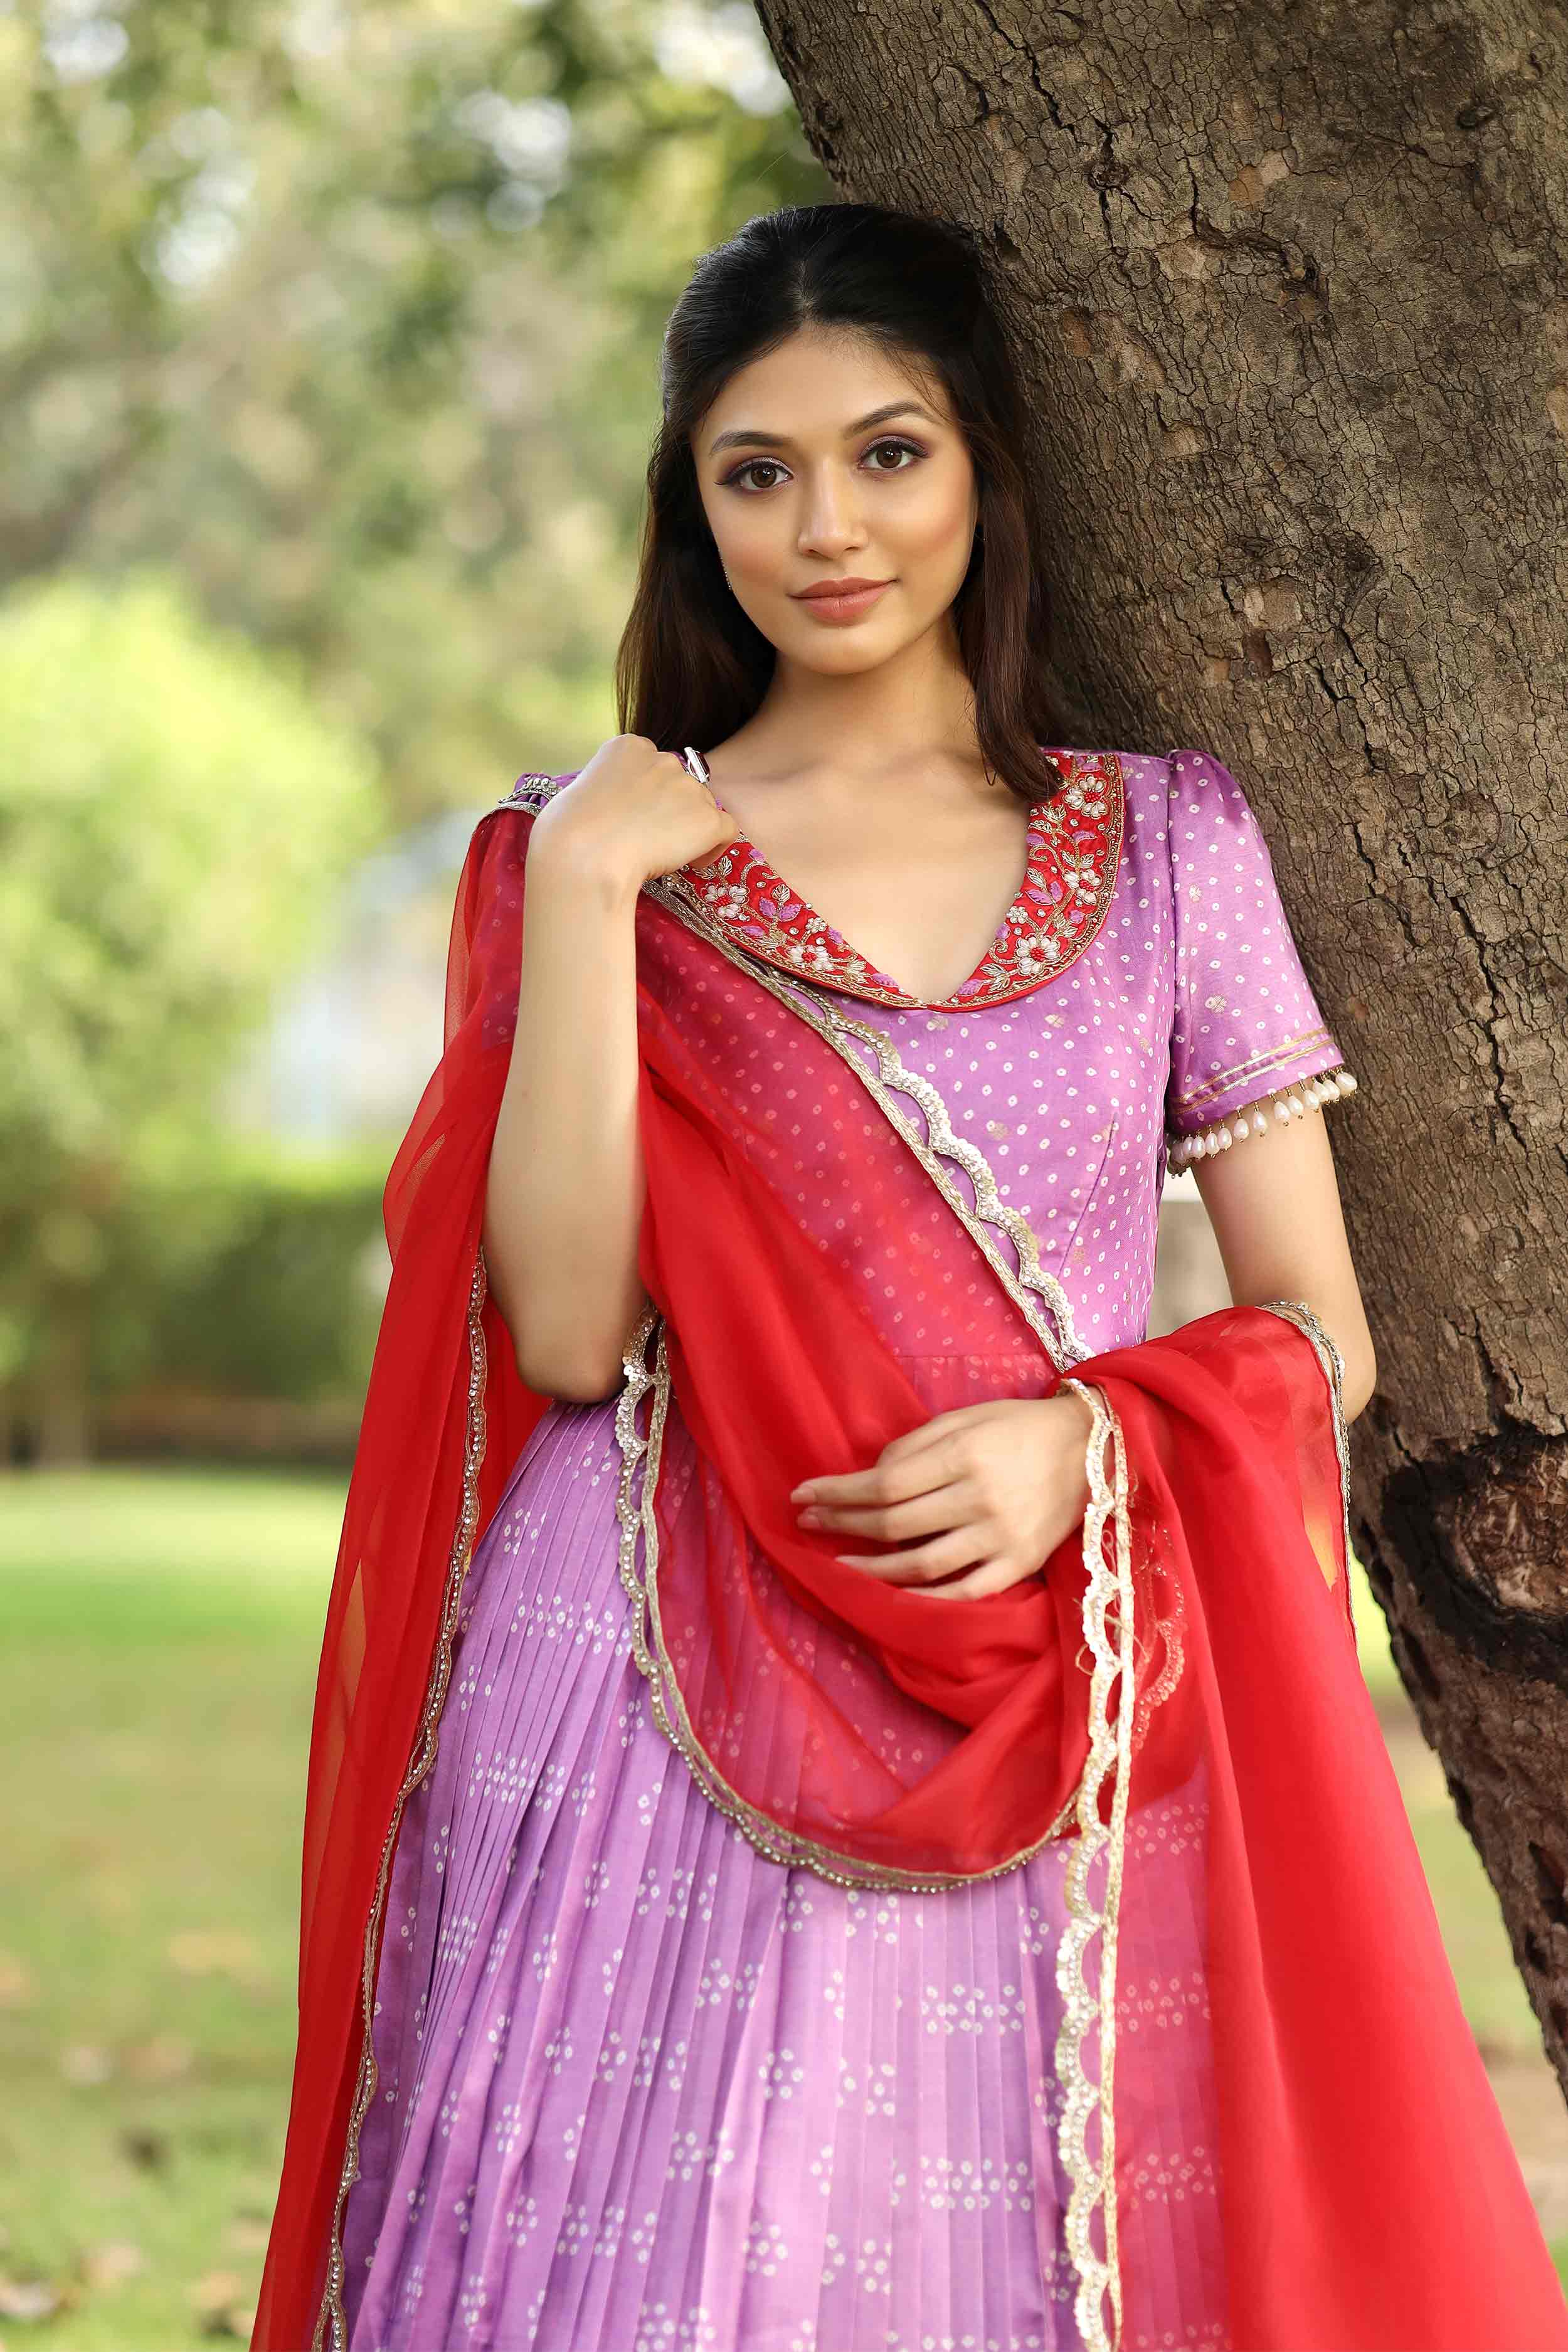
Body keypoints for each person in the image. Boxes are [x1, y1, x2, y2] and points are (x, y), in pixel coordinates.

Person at [253, 204, 1568, 2352]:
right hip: (644, 1675)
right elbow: (569, 1335)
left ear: (984, 474)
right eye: (752, 472)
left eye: (889, 454)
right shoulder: (577, 848)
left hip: (1045, 1641)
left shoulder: (1166, 846)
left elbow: (1314, 1334)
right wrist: (590, 892)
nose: (826, 529)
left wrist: (1089, 1443)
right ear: (691, 510)